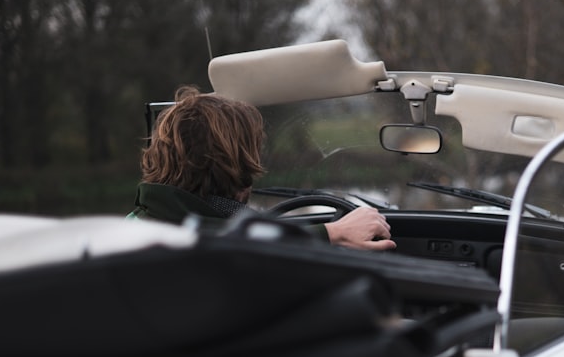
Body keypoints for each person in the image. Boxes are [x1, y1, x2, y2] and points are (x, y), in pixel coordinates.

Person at [128, 85, 396, 251]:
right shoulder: (222, 255)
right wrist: (334, 234)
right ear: (238, 170)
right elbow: (237, 247)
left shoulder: (134, 224)